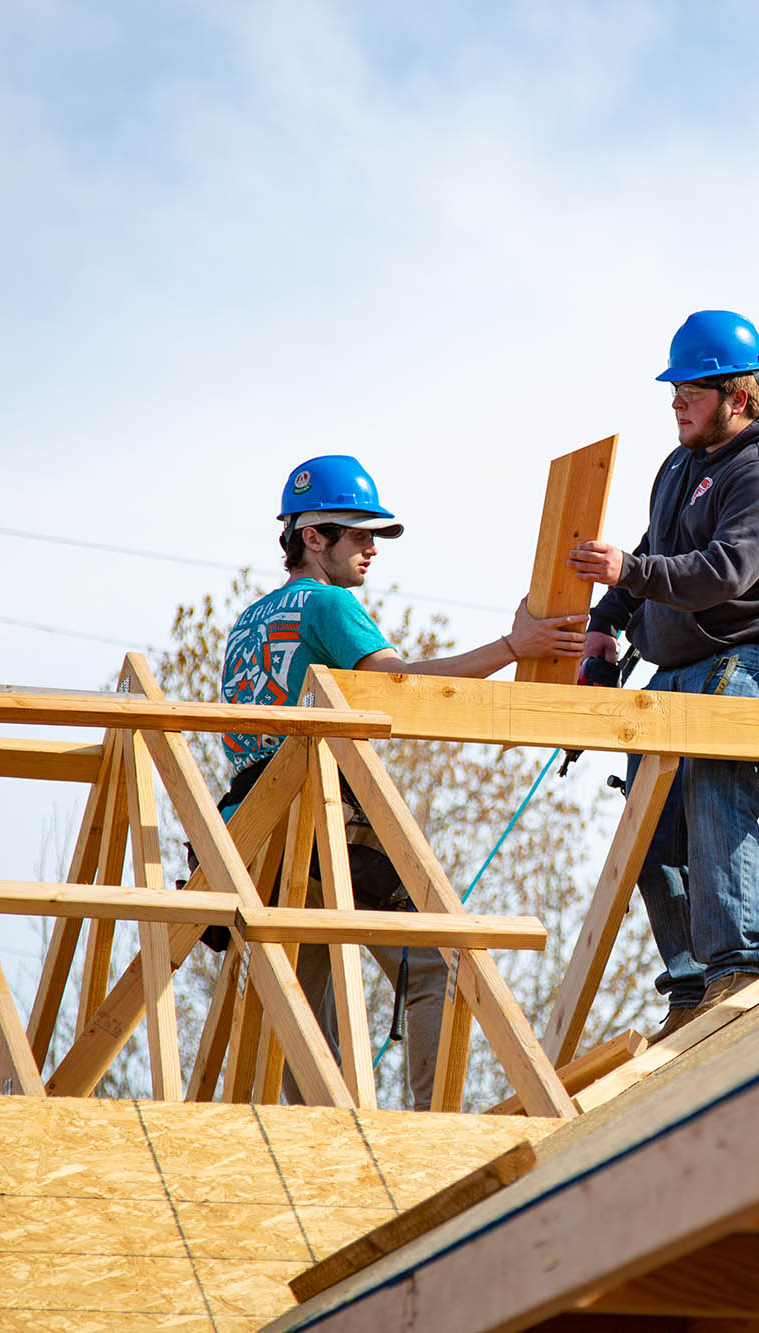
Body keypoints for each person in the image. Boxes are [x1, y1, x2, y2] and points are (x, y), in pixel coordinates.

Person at [218, 454, 584, 1105]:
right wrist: (513, 647)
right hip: (322, 820)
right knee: (439, 966)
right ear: (312, 536)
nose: (370, 549)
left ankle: (322, 1150)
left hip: (251, 839)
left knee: (304, 1004)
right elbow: (403, 685)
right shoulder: (328, 604)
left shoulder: (246, 625)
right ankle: (431, 1128)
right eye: (358, 534)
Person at [569, 310, 759, 1039]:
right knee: (652, 821)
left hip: (751, 653)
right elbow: (654, 552)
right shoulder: (682, 465)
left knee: (715, 787)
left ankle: (736, 970)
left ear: (739, 398)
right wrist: (604, 622)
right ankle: (689, 986)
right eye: (675, 391)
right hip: (676, 663)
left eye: (690, 391)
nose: (676, 403)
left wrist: (630, 570)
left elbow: (725, 572)